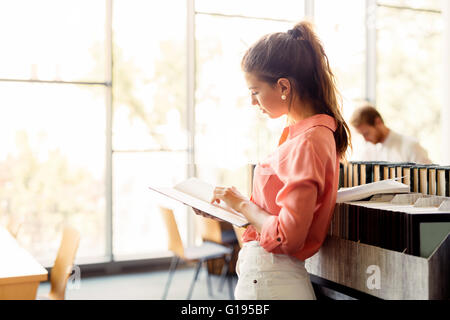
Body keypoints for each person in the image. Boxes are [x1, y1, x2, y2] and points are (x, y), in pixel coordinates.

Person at [194, 20, 350, 300]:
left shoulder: (309, 141)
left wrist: (241, 203)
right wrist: (231, 206)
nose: (253, 102)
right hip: (268, 277)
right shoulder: (304, 135)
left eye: (255, 92)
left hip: (272, 281)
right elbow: (273, 217)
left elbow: (286, 236)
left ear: (283, 86)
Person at [350, 104, 431, 164]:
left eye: (366, 133)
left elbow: (427, 180)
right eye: (362, 135)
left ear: (378, 122)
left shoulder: (411, 146)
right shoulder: (367, 150)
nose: (365, 140)